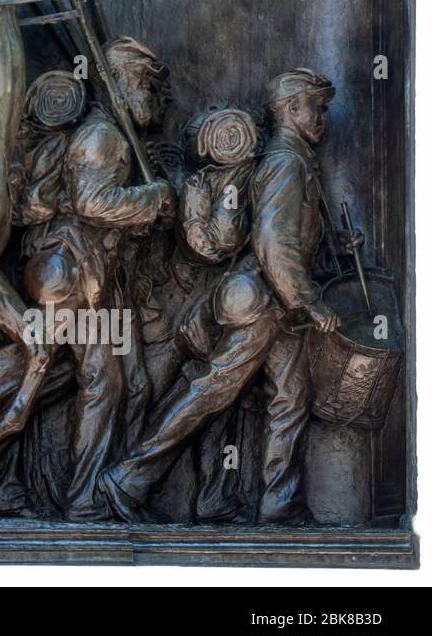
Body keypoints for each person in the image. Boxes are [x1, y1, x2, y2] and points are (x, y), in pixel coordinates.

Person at [101, 69, 348, 526]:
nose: (323, 116)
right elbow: (274, 241)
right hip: (264, 304)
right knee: (212, 392)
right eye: (317, 105)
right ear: (291, 109)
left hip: (278, 307)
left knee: (290, 398)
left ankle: (279, 503)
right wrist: (308, 299)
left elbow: (291, 233)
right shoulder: (284, 163)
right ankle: (128, 477)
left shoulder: (291, 160)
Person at [17, 39, 175, 520]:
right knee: (97, 383)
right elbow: (93, 203)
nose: (152, 94)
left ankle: (108, 492)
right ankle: (84, 498)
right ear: (120, 82)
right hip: (73, 272)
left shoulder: (119, 135)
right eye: (145, 83)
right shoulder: (102, 135)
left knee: (128, 384)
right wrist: (154, 198)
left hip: (101, 279)